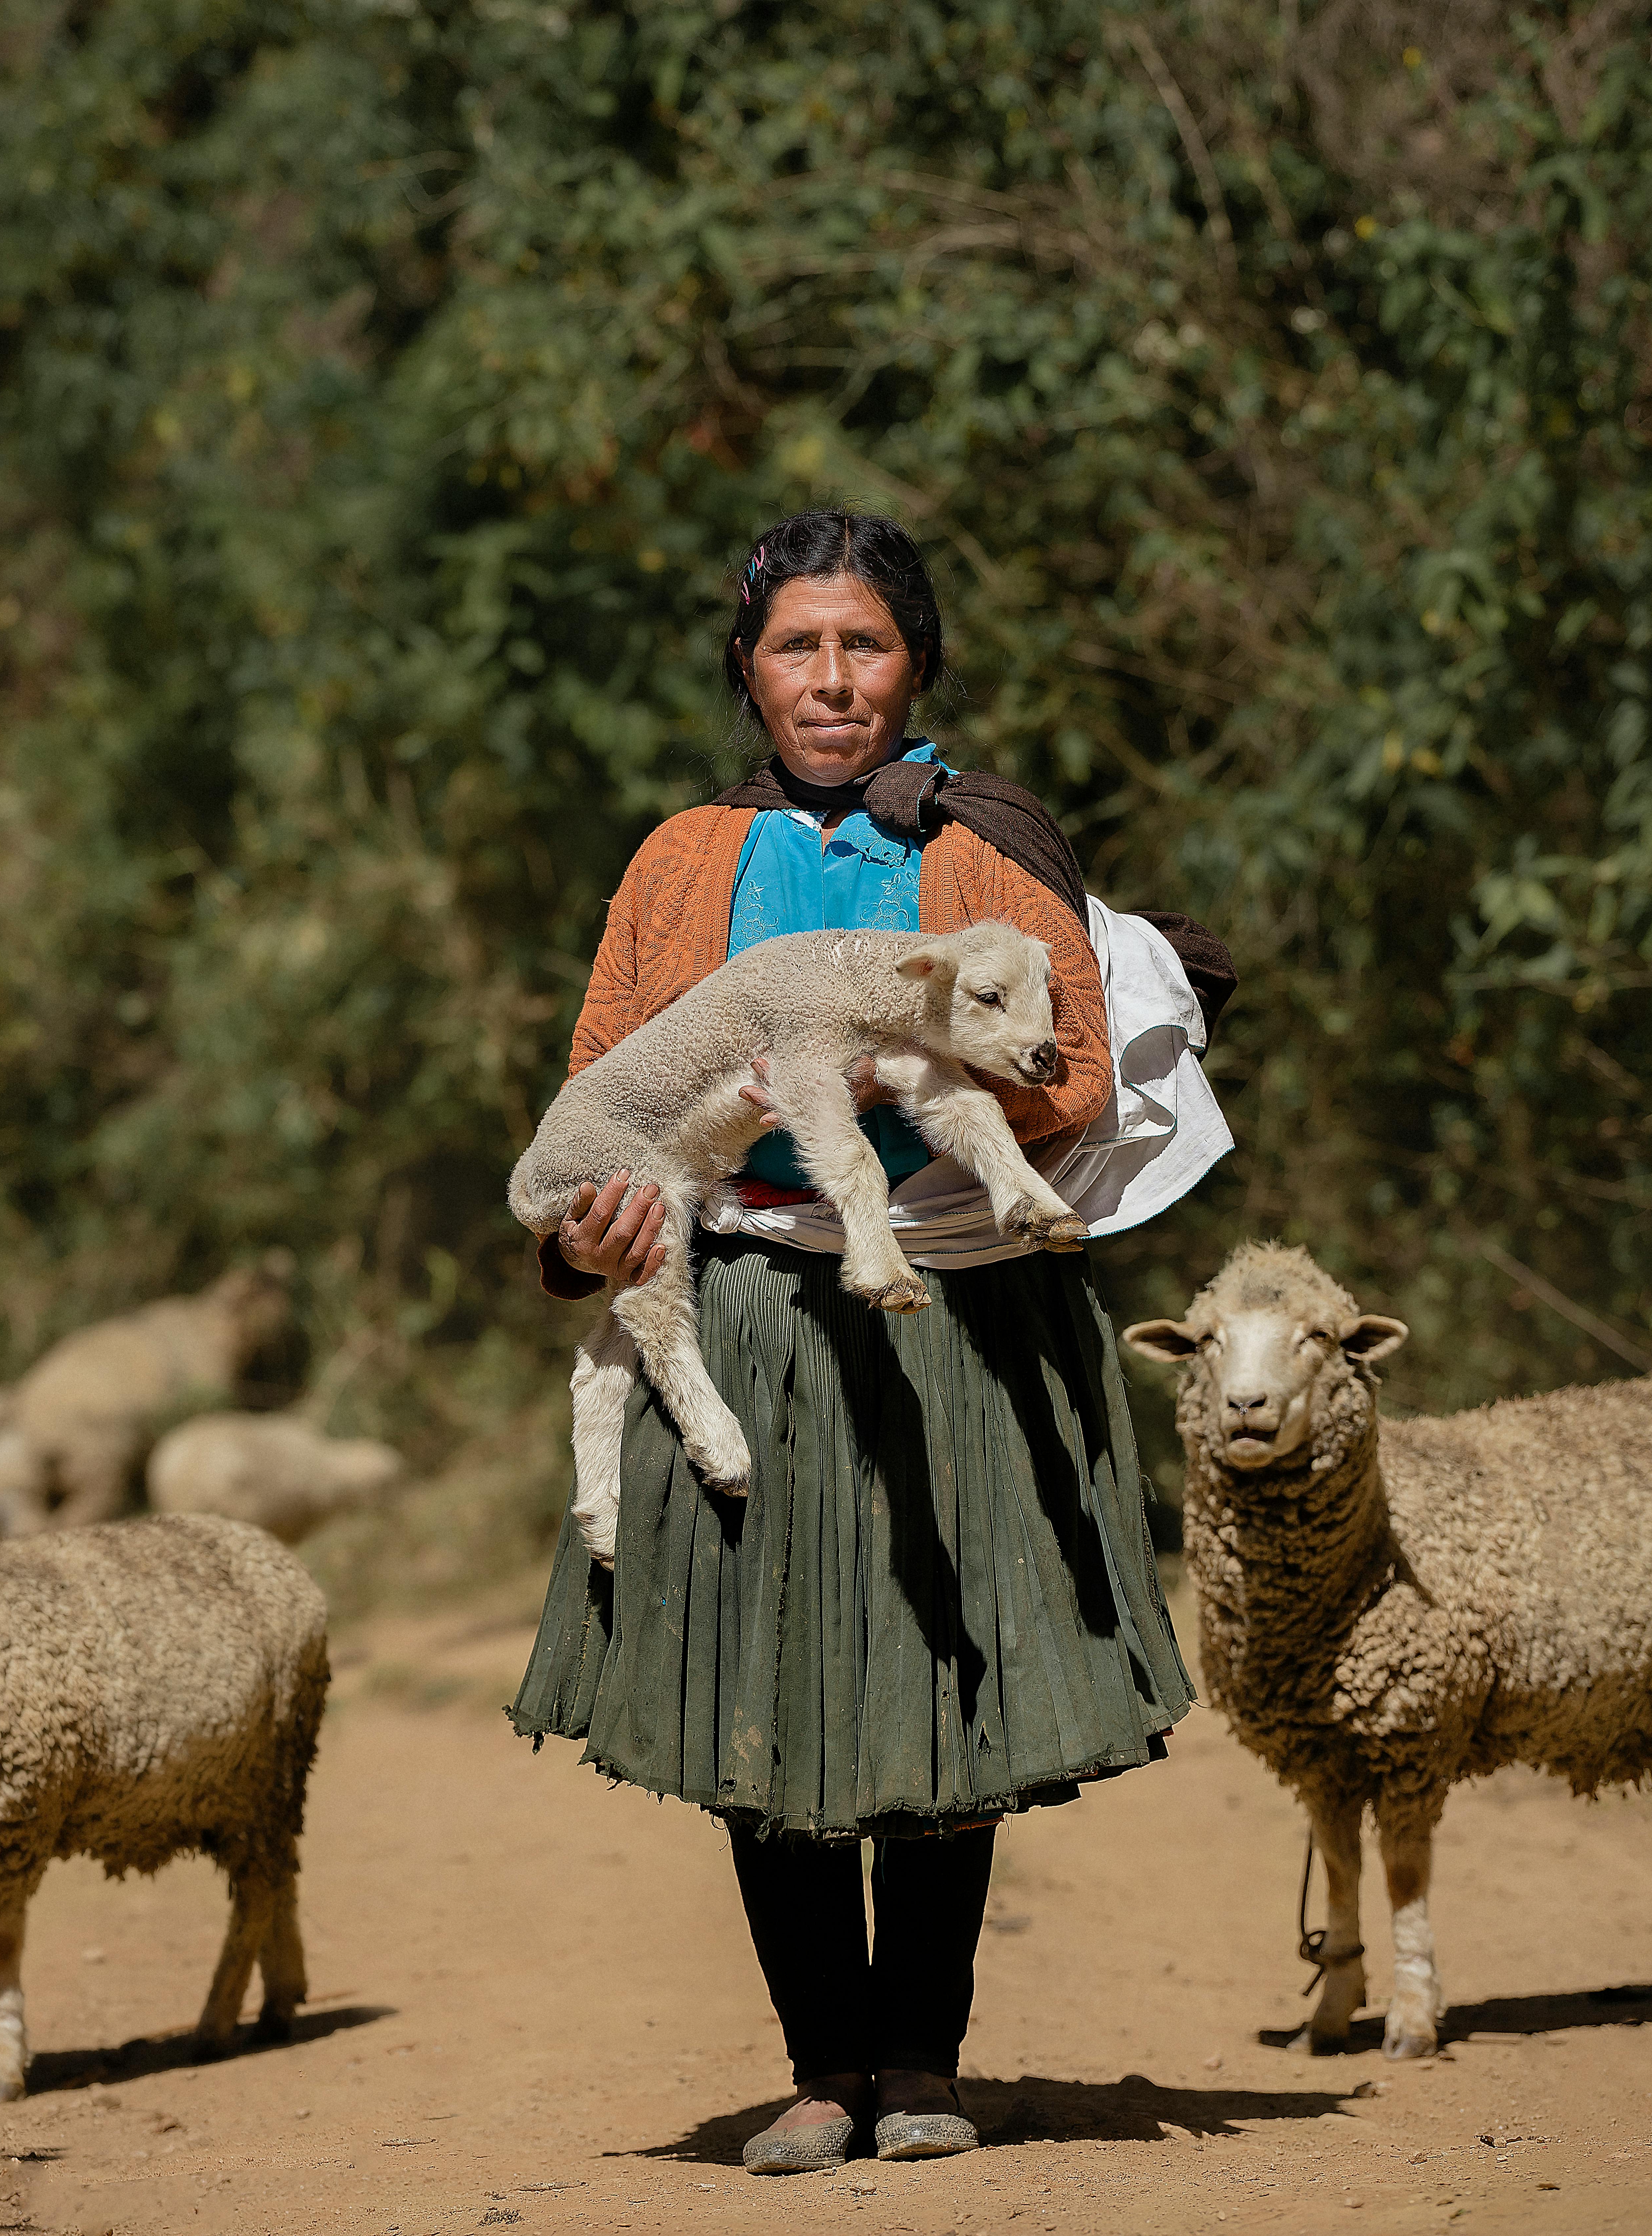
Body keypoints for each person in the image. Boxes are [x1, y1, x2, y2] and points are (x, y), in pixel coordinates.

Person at [508, 510, 1196, 2174]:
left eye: (864, 643)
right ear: (747, 669)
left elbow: (1078, 1071)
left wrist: (917, 1065)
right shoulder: (684, 856)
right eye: (796, 645)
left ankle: (921, 2056)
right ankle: (819, 2067)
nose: (831, 677)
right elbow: (605, 1072)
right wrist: (583, 1231)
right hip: (745, 1295)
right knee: (775, 1673)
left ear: (917, 661)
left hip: (959, 1295)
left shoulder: (987, 848)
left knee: (945, 1672)